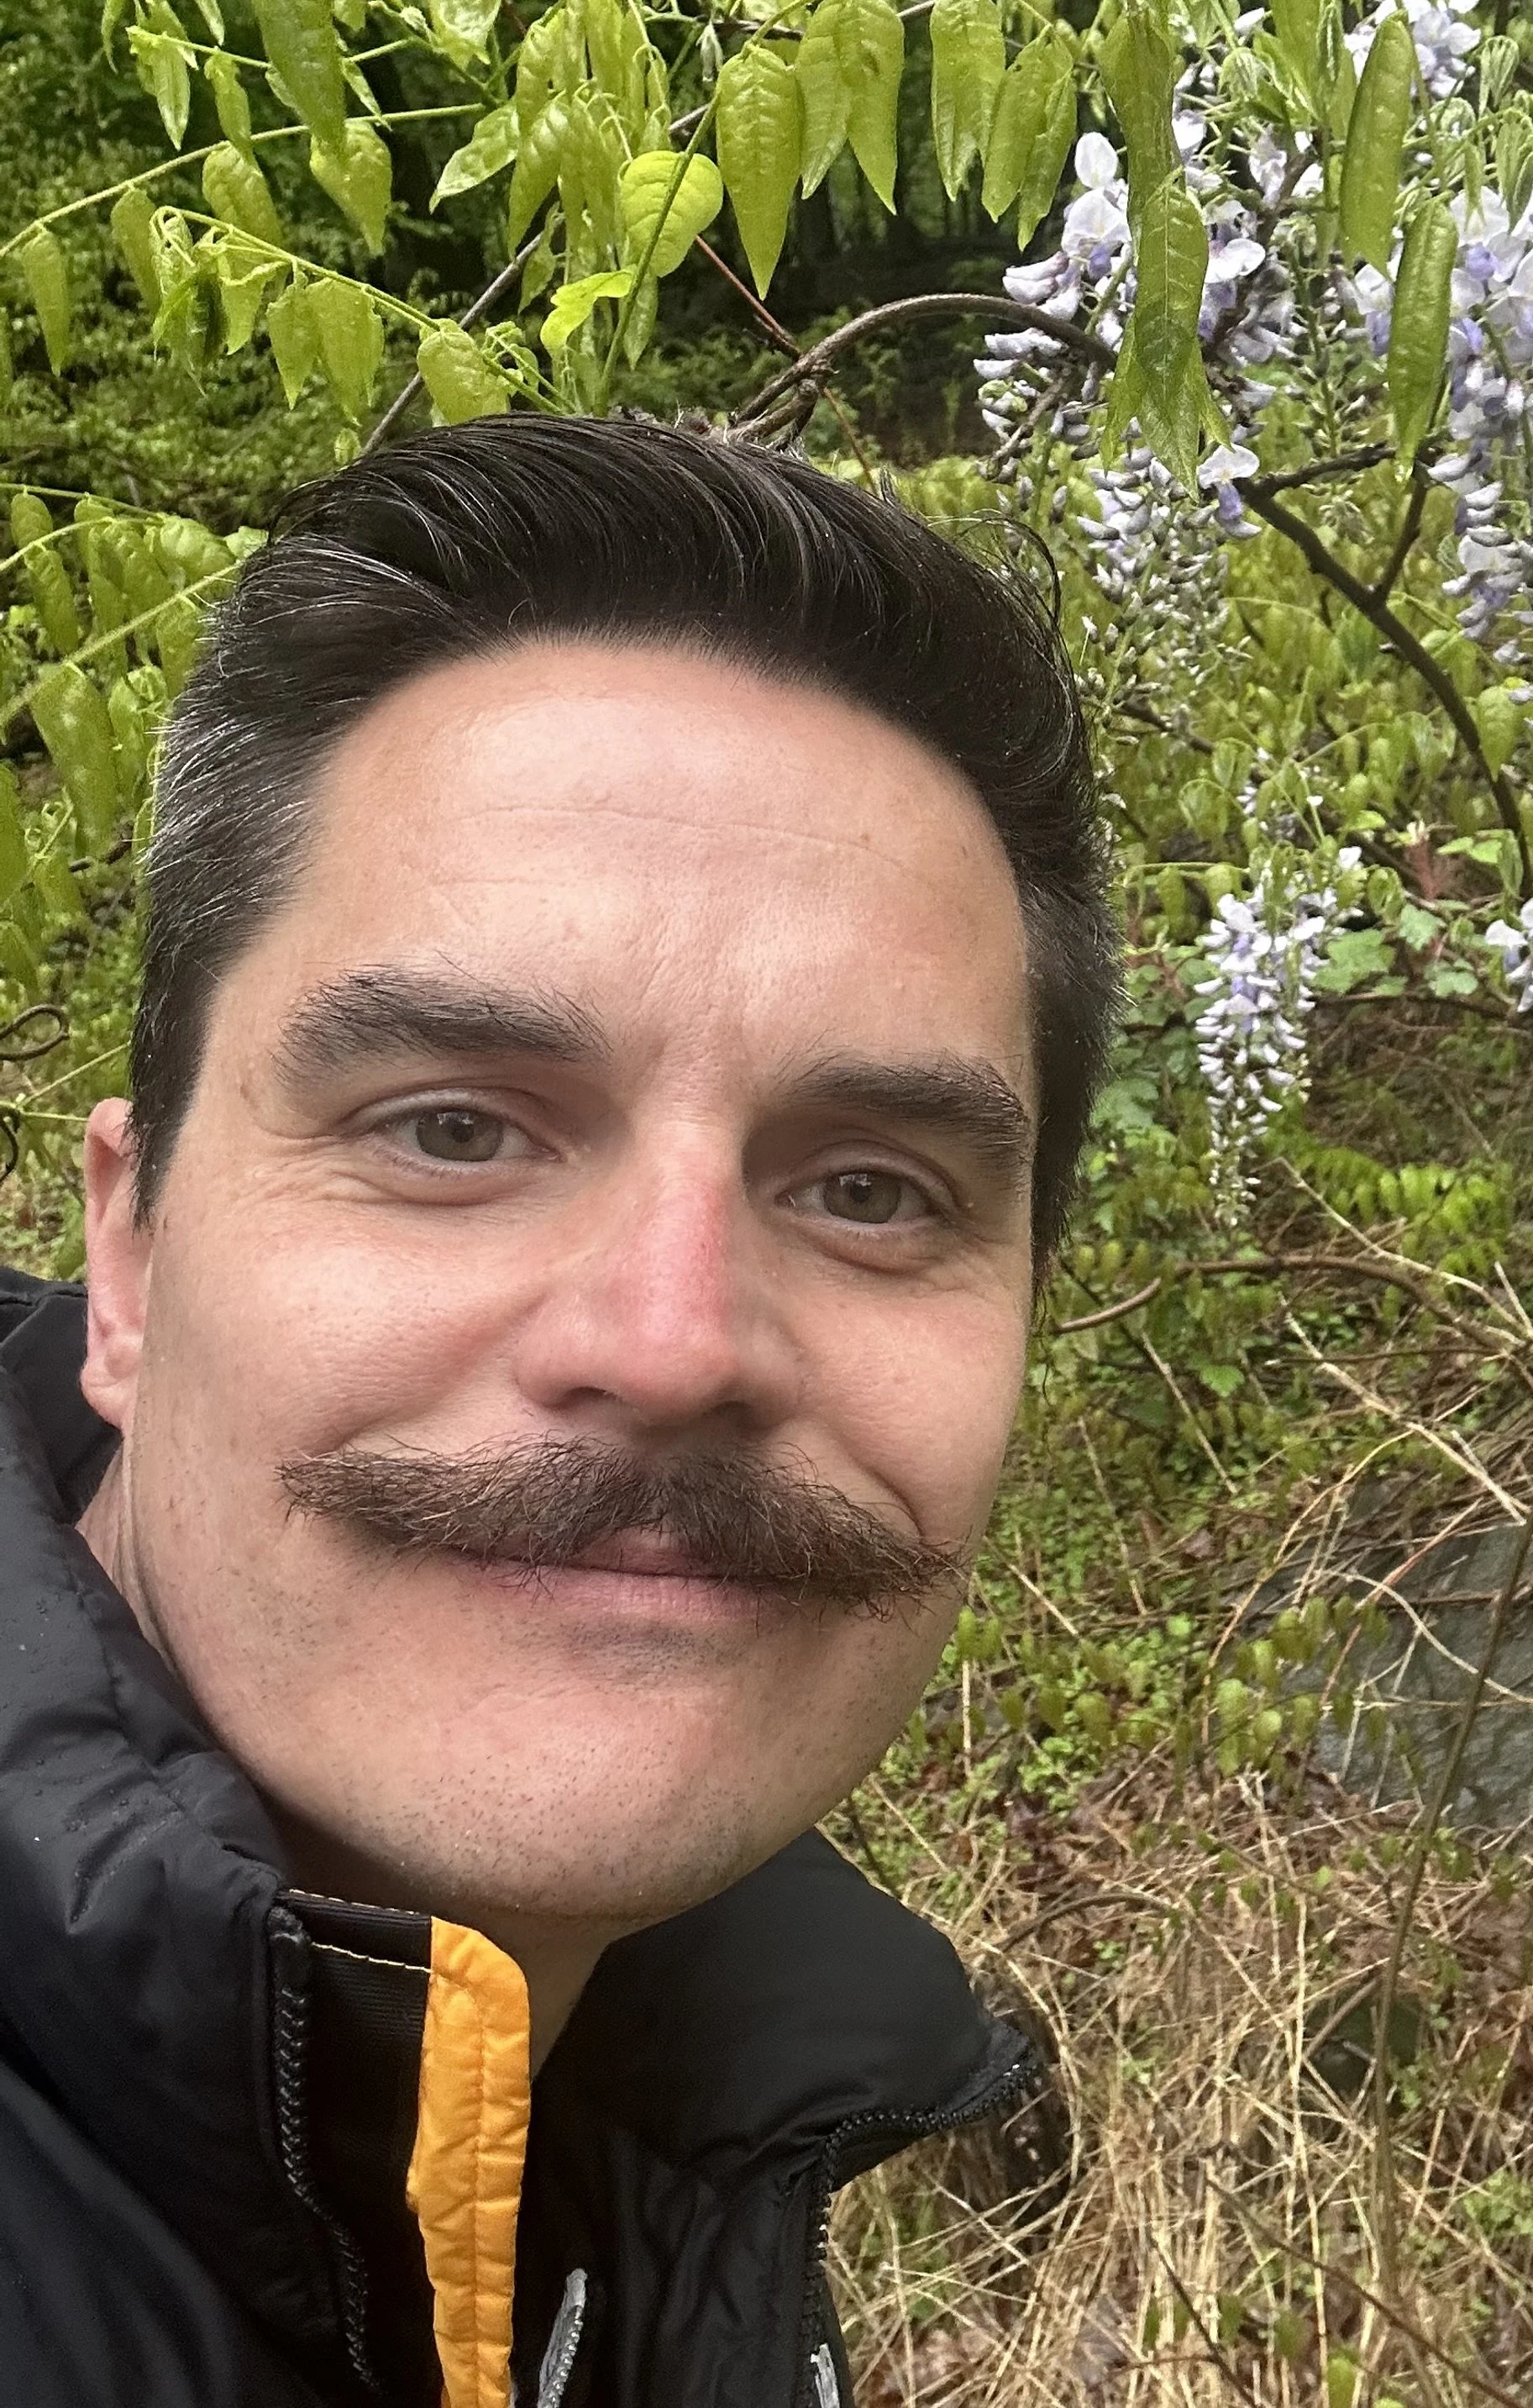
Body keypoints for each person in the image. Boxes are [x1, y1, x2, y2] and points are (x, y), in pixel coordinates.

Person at [0, 417, 1120, 2408]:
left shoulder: (682, 2105)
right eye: (452, 1129)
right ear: (133, 1260)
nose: (674, 1340)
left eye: (869, 1187)